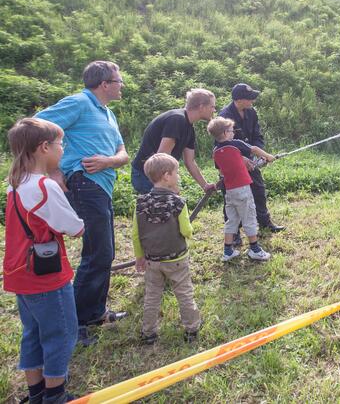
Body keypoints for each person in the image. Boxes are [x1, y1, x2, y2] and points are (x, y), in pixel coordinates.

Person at [35, 60, 130, 346]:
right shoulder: (79, 103)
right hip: (84, 184)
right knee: (96, 253)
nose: (122, 85)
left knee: (105, 252)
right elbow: (36, 127)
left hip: (103, 186)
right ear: (104, 84)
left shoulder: (109, 114)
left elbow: (123, 153)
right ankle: (74, 325)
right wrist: (53, 169)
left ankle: (95, 313)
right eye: (118, 81)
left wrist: (109, 161)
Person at [3, 118, 84, 404]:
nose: (63, 150)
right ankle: (55, 395)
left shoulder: (15, 184)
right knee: (61, 334)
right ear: (44, 147)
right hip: (46, 277)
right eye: (61, 144)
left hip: (20, 274)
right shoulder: (45, 186)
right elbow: (74, 227)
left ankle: (36, 393)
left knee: (34, 333)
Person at [132, 153, 201, 344]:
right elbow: (186, 229)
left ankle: (149, 332)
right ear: (166, 176)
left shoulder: (140, 203)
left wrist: (139, 257)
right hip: (176, 259)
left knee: (152, 296)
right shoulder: (178, 202)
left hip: (152, 259)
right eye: (176, 173)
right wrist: (190, 233)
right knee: (184, 292)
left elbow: (136, 234)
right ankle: (192, 328)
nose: (178, 176)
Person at [219, 83, 285, 243]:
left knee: (259, 190)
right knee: (233, 198)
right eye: (250, 99)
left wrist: (259, 156)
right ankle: (234, 234)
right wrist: (241, 158)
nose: (252, 101)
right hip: (232, 163)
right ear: (239, 100)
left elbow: (257, 136)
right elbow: (222, 144)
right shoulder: (224, 117)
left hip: (252, 158)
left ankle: (265, 222)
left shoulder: (251, 112)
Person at [208, 117, 276, 261]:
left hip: (229, 191)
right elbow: (254, 149)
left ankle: (228, 251)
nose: (234, 133)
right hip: (243, 190)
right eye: (232, 131)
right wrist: (268, 156)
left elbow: (221, 171)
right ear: (226, 132)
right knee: (249, 217)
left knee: (231, 220)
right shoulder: (235, 144)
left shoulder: (215, 152)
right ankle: (255, 249)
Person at [131, 88, 217, 194]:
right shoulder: (177, 120)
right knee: (164, 208)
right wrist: (171, 186)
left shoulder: (189, 128)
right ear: (201, 107)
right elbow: (161, 157)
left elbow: (190, 162)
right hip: (146, 175)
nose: (214, 110)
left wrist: (205, 185)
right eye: (212, 106)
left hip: (161, 175)